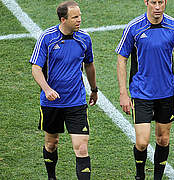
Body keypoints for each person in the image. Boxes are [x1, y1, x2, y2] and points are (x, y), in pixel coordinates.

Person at [115, 0, 174, 179]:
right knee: (142, 142)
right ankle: (140, 175)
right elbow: (121, 59)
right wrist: (123, 93)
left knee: (163, 139)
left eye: (161, 2)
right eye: (154, 2)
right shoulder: (134, 28)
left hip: (166, 93)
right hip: (141, 93)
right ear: (146, 2)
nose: (157, 6)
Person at [29, 1, 98, 179]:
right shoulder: (47, 38)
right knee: (51, 144)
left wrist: (94, 89)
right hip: (52, 103)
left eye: (80, 16)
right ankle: (52, 177)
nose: (79, 20)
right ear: (63, 19)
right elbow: (36, 68)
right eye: (75, 17)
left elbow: (89, 64)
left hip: (76, 102)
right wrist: (47, 89)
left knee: (82, 148)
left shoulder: (84, 38)